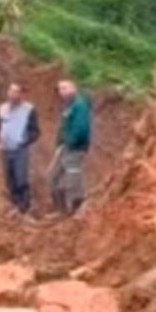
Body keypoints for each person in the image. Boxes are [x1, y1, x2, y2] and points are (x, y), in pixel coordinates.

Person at [0, 82, 41, 215]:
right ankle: (14, 205)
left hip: (20, 149)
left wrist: (25, 142)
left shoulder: (29, 109)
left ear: (22, 94)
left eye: (16, 92)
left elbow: (36, 131)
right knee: (9, 178)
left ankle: (25, 207)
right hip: (5, 148)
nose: (12, 94)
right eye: (10, 91)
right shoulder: (2, 108)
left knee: (21, 177)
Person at [50, 79, 92, 215]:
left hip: (75, 148)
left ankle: (76, 207)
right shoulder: (69, 106)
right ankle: (61, 209)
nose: (63, 92)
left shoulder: (80, 105)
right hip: (65, 147)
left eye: (66, 88)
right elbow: (63, 127)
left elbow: (81, 128)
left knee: (73, 175)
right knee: (52, 176)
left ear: (74, 88)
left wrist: (70, 142)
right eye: (60, 89)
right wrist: (59, 143)